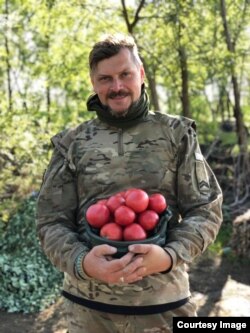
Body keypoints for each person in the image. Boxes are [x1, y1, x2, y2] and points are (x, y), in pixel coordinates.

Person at [36, 33, 223, 333]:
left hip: (164, 307)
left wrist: (168, 256)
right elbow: (50, 221)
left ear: (142, 73)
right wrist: (84, 262)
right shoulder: (71, 144)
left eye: (125, 74)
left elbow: (206, 210)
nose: (117, 86)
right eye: (105, 78)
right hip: (88, 311)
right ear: (93, 83)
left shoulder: (177, 134)